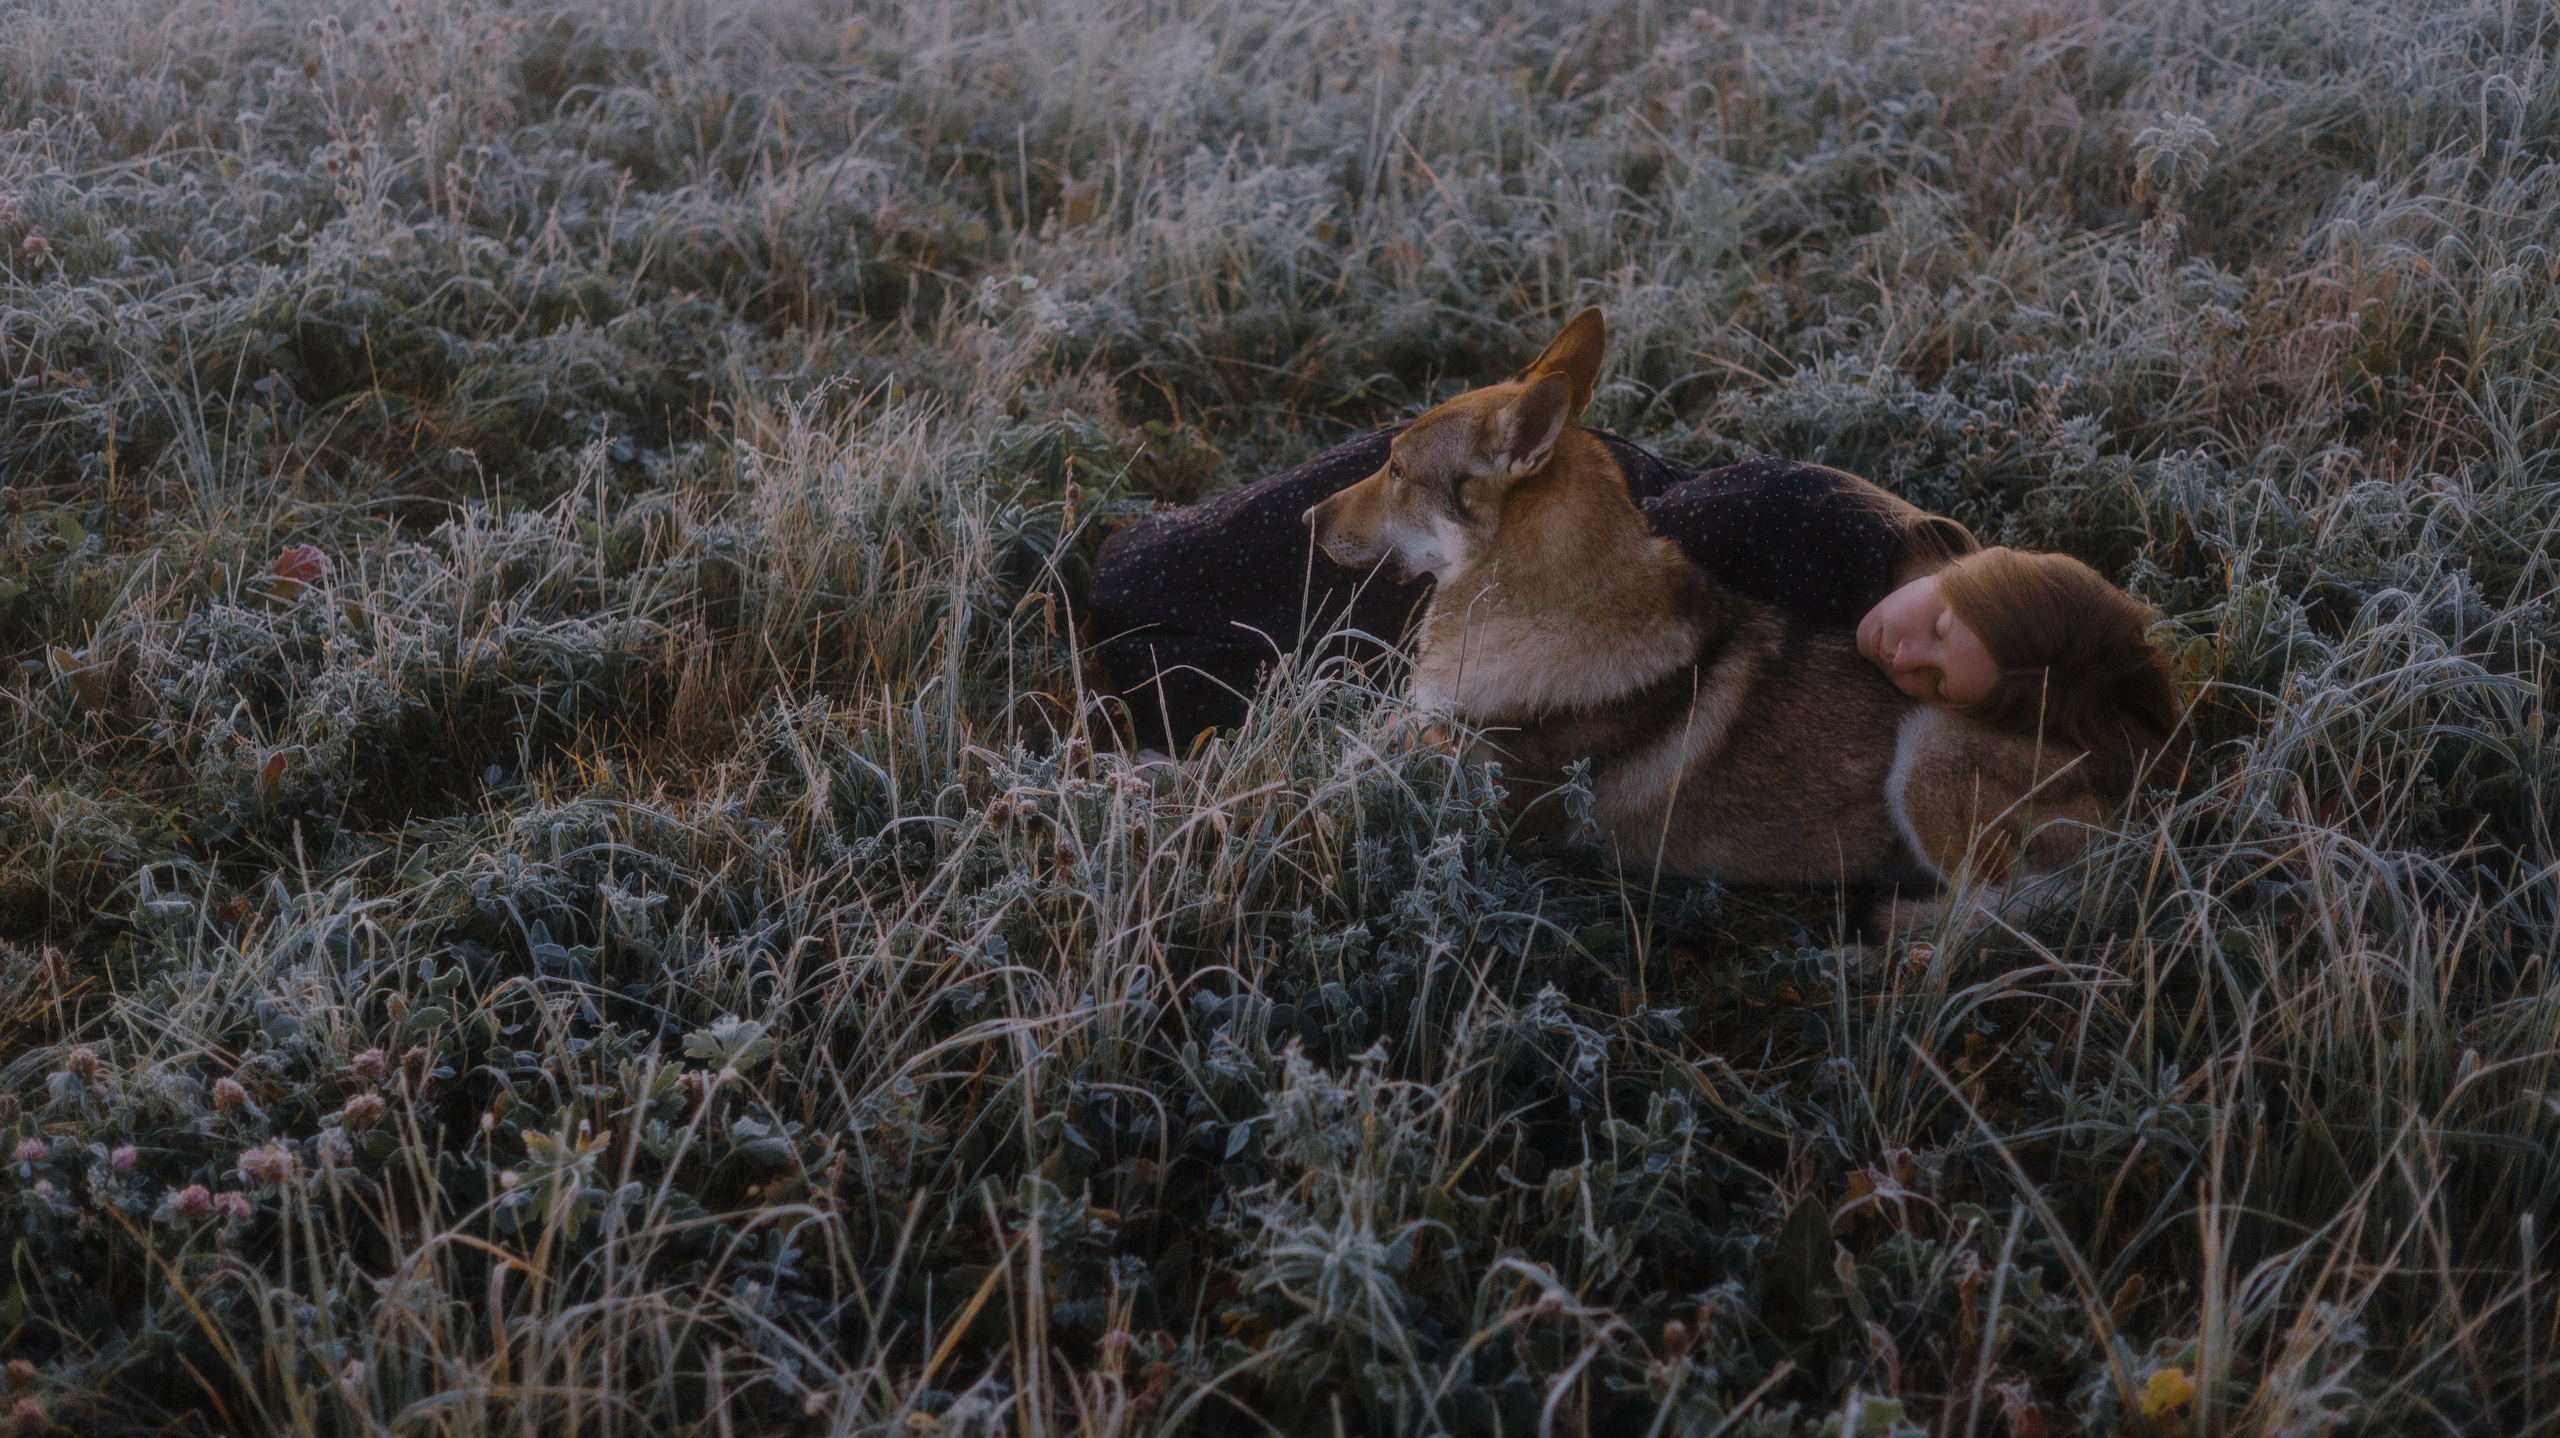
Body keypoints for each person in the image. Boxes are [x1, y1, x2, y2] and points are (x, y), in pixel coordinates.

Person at [1085, 426, 2178, 794]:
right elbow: (1635, 561)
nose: (1907, 657)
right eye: (1939, 628)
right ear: (1978, 576)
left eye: (1935, 681)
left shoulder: (1912, 589)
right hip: (1528, 532)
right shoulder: (1839, 542)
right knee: (1178, 615)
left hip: (1565, 566)